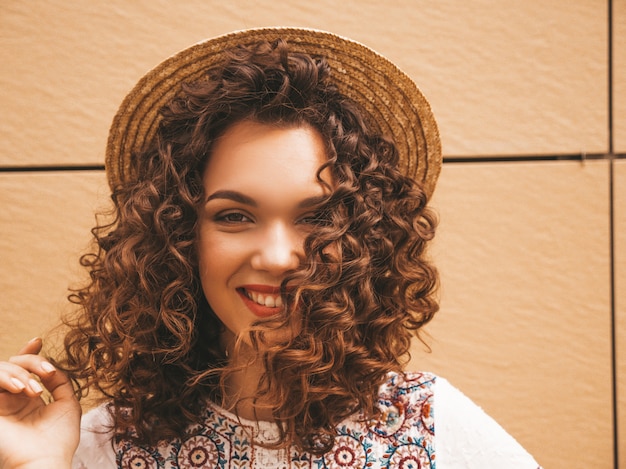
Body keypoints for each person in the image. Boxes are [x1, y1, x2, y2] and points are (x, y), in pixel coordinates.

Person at [0, 28, 541, 468]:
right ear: (179, 237)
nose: (279, 258)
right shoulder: (100, 448)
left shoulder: (427, 426)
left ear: (363, 240)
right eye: (235, 216)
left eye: (317, 218)